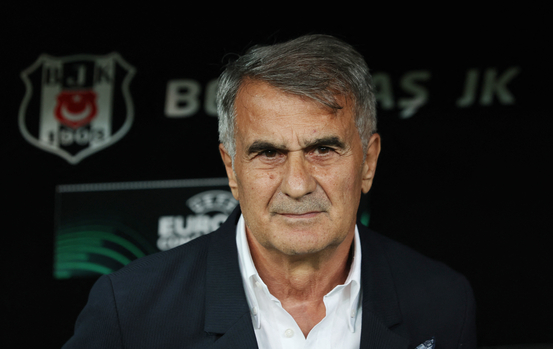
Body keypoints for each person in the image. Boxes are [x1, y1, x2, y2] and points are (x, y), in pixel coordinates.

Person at [62, 34, 476, 349]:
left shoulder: (442, 301)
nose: (297, 185)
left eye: (323, 149)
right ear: (232, 168)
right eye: (268, 153)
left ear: (367, 162)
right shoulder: (130, 311)